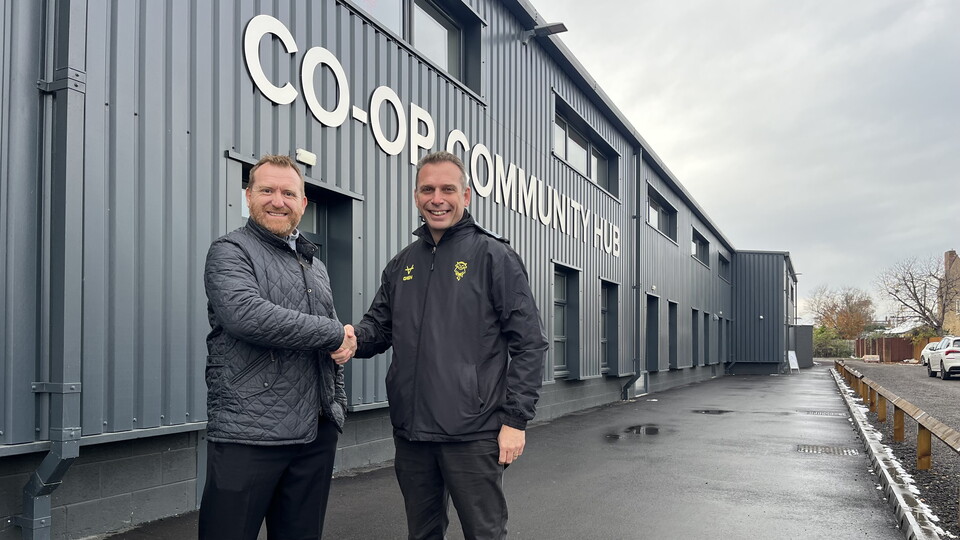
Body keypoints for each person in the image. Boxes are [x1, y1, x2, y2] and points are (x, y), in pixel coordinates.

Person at [353, 151, 549, 540]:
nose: (437, 199)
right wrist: (345, 338)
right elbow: (377, 328)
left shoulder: (494, 256)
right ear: (416, 196)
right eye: (427, 189)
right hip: (412, 433)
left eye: (447, 189)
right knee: (422, 533)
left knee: (484, 533)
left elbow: (530, 343)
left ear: (466, 196)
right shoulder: (402, 264)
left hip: (473, 433)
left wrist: (515, 421)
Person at [200, 154, 357, 540]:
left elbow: (331, 332)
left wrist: (336, 400)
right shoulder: (230, 251)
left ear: (303, 203)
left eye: (288, 193)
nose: (277, 201)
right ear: (248, 195)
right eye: (267, 190)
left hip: (315, 431)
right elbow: (246, 315)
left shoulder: (314, 265)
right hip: (250, 432)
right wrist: (334, 334)